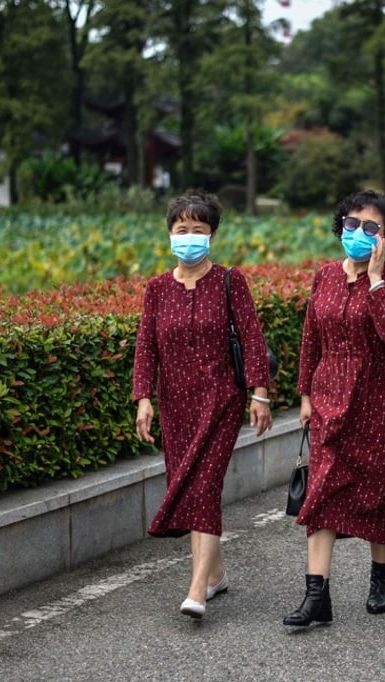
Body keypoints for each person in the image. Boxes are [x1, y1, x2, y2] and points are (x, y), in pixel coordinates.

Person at [132, 190, 273, 620]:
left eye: (198, 230)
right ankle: (215, 575)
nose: (189, 237)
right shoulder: (156, 289)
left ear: (212, 235)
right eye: (181, 230)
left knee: (206, 488)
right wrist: (143, 399)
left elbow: (251, 338)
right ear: (169, 234)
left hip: (221, 400)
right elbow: (145, 348)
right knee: (189, 487)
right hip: (176, 406)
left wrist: (260, 393)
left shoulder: (230, 281)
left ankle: (196, 588)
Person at [283, 190, 385, 628]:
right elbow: (310, 339)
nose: (358, 233)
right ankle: (316, 594)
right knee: (320, 492)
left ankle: (381, 577)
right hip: (327, 397)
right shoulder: (324, 276)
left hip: (378, 397)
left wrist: (375, 279)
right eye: (352, 224)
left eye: (371, 227)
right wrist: (304, 394)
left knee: (379, 491)